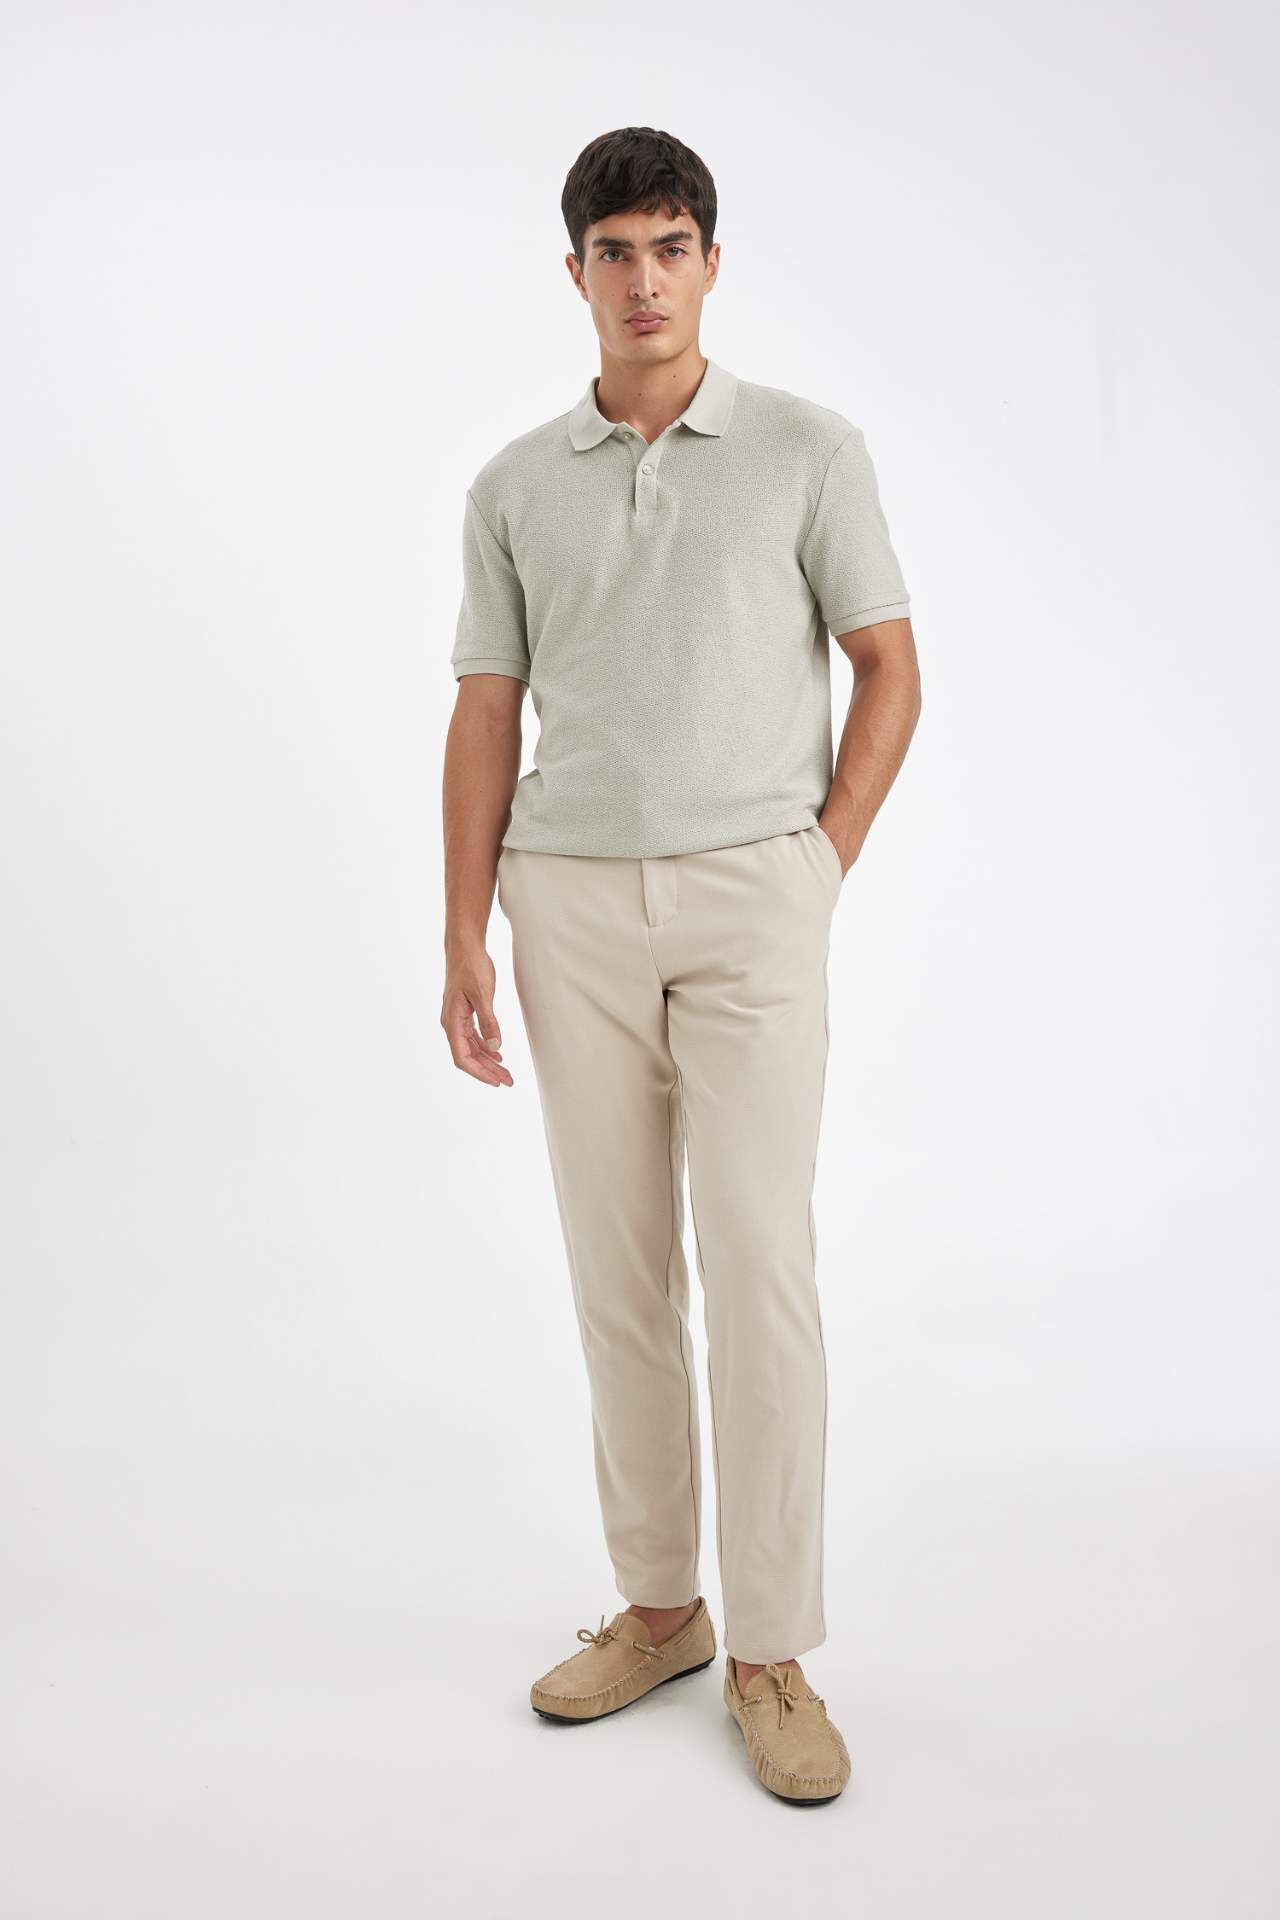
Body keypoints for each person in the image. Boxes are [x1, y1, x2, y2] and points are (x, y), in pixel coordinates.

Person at [441, 125, 921, 1805]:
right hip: (566, 906)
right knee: (619, 1269)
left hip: (752, 898)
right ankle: (661, 1609)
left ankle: (772, 1651)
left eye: (670, 246)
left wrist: (818, 860)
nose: (643, 279)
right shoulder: (515, 484)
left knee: (760, 1261)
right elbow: (485, 711)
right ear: (573, 272)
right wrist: (463, 930)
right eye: (614, 251)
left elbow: (888, 665)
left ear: (712, 262)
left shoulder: (805, 450)